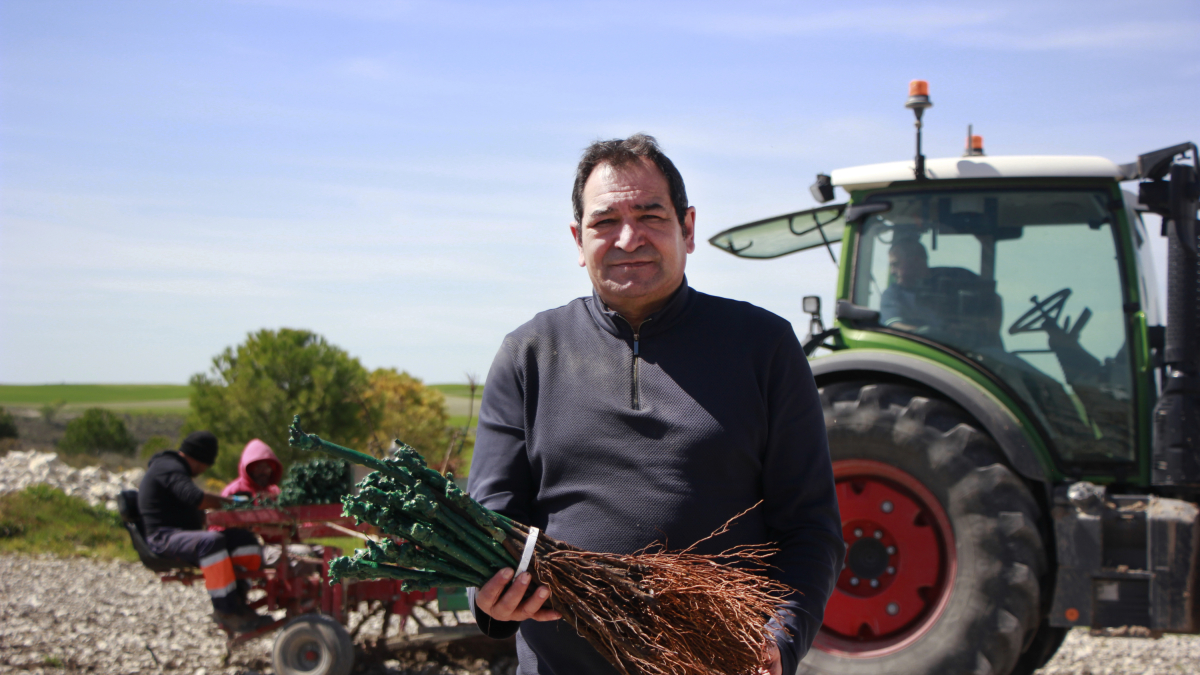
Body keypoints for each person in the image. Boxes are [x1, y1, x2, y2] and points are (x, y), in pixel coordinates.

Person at [466, 134, 844, 675]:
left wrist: (779, 641)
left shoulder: (763, 346)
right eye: (604, 222)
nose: (628, 237)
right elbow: (494, 519)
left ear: (687, 229)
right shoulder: (529, 352)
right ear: (577, 240)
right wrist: (492, 597)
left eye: (650, 214)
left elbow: (811, 529)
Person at [139, 431, 271, 633]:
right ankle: (225, 610)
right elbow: (196, 498)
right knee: (211, 542)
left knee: (245, 541)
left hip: (181, 535)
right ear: (200, 459)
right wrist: (234, 504)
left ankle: (238, 601)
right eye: (206, 465)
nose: (204, 471)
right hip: (164, 537)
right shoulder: (168, 468)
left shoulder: (174, 469)